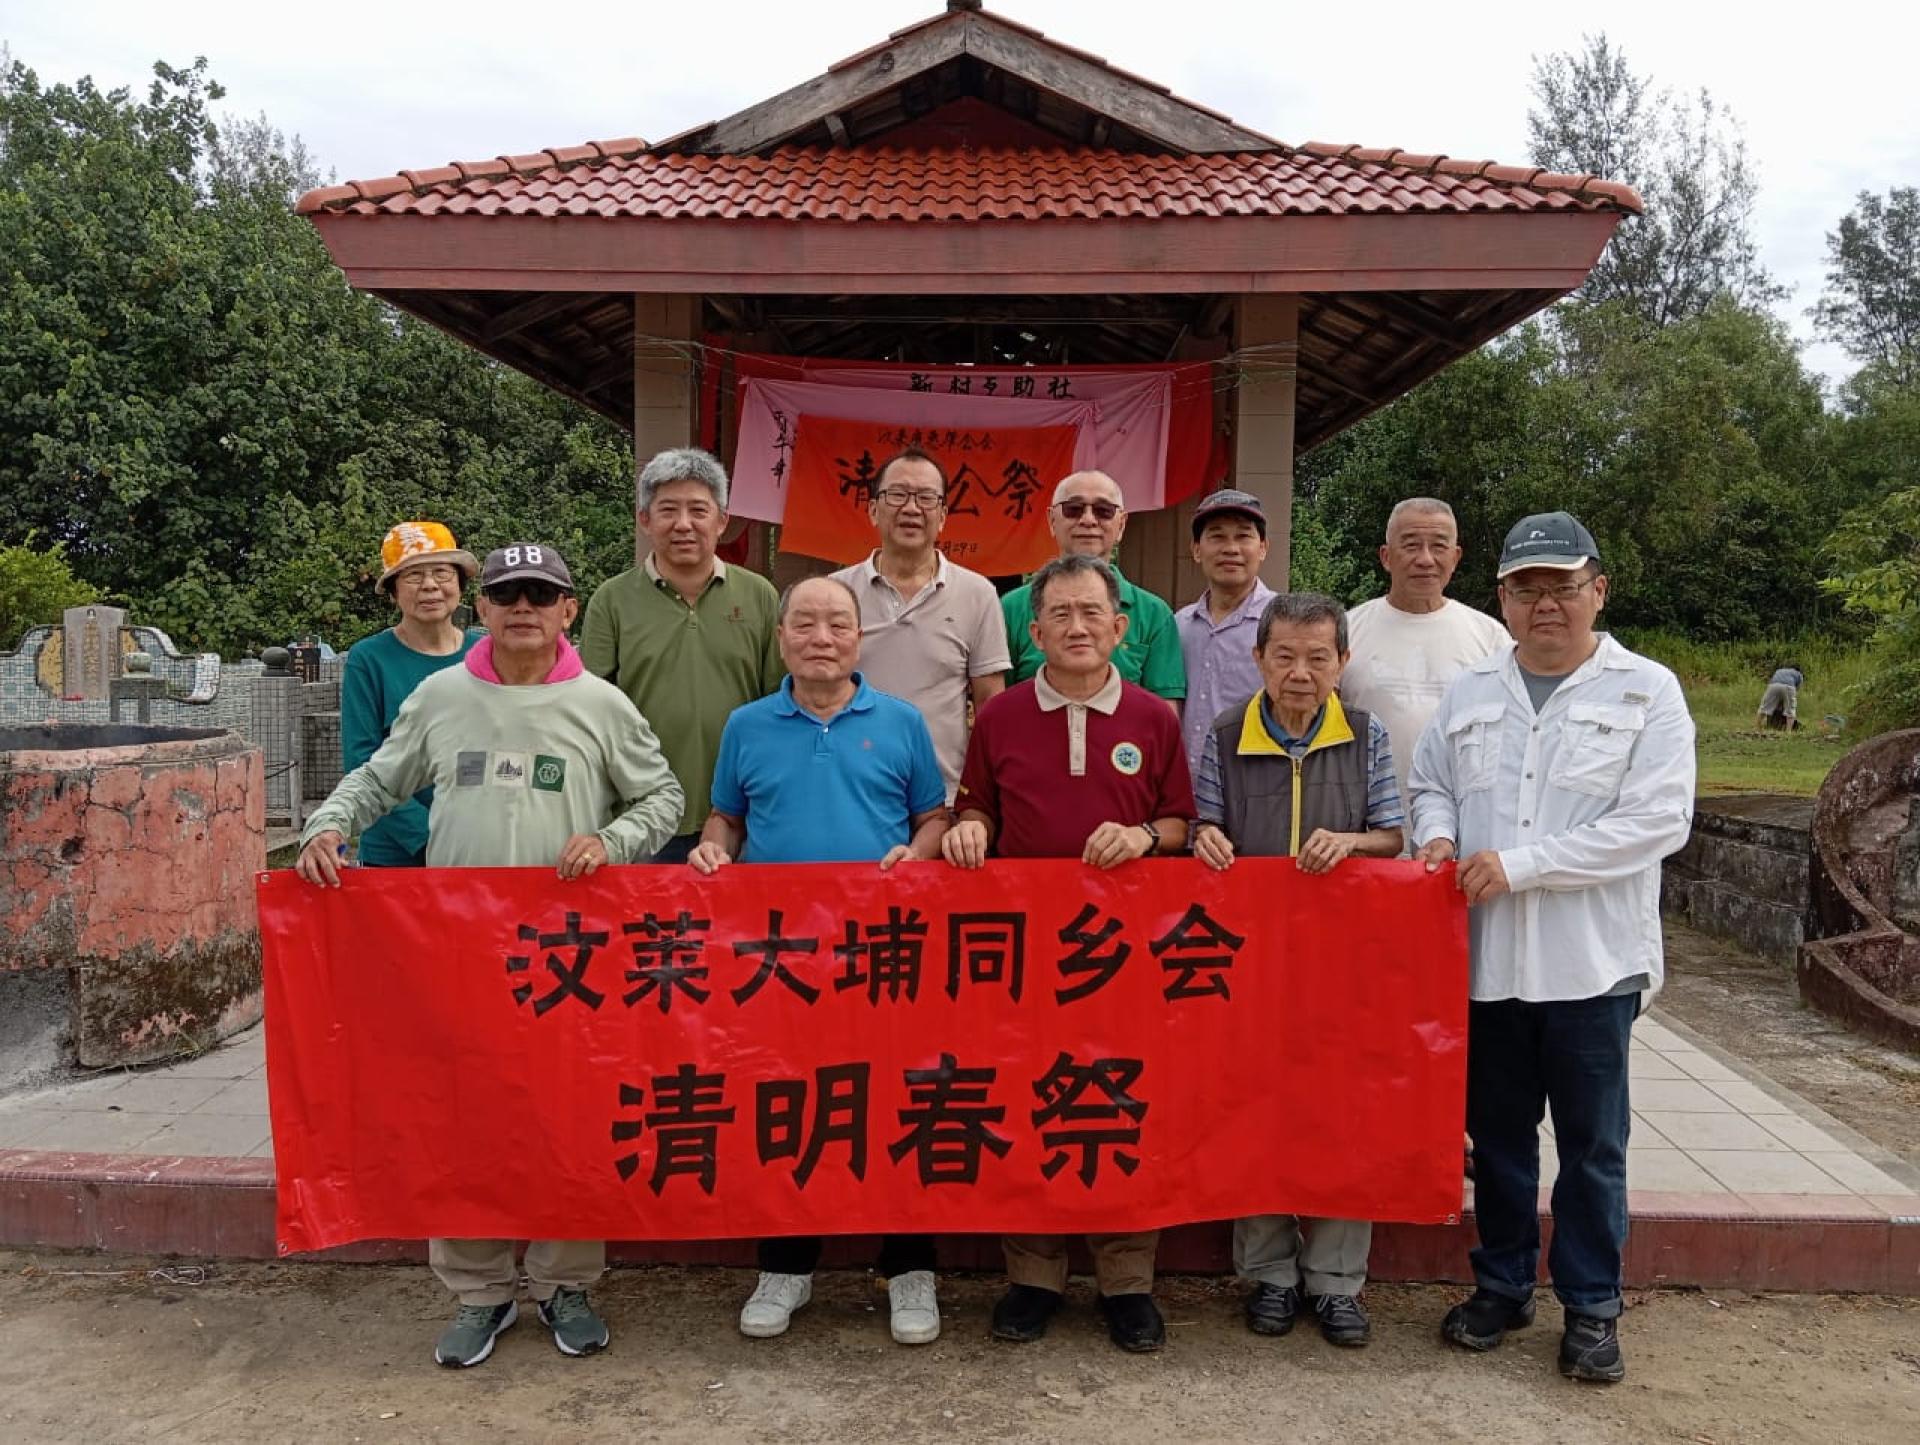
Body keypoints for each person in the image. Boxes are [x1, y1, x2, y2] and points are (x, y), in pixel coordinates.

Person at [295, 541, 685, 1370]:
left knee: (570, 1113)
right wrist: (328, 823)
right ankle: (478, 1293)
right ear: (483, 608)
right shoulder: (443, 697)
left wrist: (613, 839)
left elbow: (663, 796)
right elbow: (380, 778)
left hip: (570, 957)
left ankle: (566, 1280)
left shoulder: (601, 703)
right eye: (508, 593)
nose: (524, 608)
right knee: (463, 1112)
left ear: (569, 610)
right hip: (461, 952)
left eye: (542, 595)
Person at [1408, 511, 1695, 1385]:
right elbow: (1431, 785)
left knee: (1591, 1146)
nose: (1545, 604)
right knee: (1496, 1141)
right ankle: (1500, 1285)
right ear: (1500, 596)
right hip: (1488, 962)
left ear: (1597, 591)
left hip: (1591, 966)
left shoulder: (1646, 691)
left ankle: (1592, 1305)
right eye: (1526, 588)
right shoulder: (1469, 691)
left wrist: (1522, 865)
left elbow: (1654, 823)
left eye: (1563, 586)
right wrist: (1435, 838)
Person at [944, 554, 1195, 1353]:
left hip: (1124, 953)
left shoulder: (1155, 717)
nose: (1079, 627)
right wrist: (973, 826)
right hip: (1024, 952)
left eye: (1095, 613)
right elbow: (974, 802)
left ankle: (1127, 1281)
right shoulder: (1003, 716)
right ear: (1035, 629)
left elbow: (1182, 824)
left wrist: (1142, 835)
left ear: (1123, 629)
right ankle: (1034, 1276)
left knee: (1119, 1099)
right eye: (1062, 614)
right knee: (1029, 1098)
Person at [690, 576, 949, 1346]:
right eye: (805, 623)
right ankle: (786, 1267)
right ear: (782, 639)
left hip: (882, 955)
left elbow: (933, 816)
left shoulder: (900, 722)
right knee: (788, 1107)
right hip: (781, 959)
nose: (822, 637)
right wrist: (713, 846)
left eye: (839, 623)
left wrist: (920, 849)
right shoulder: (747, 725)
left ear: (858, 638)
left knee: (896, 1106)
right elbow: (727, 815)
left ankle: (910, 1270)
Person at [1191, 593, 1404, 1348]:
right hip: (1249, 964)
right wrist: (1207, 840)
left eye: (1319, 657)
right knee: (1258, 1109)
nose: (1302, 673)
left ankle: (1338, 1282)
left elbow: (1392, 835)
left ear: (1343, 662)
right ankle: (1271, 1275)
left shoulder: (1367, 734)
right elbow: (1203, 826)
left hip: (1343, 965)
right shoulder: (1222, 735)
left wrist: (1351, 844)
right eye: (1285, 655)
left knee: (1344, 1111)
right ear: (1259, 660)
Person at [581, 447, 783, 863]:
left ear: (722, 520)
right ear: (645, 520)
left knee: (736, 926)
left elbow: (777, 704)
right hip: (640, 813)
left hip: (739, 814)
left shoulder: (760, 595)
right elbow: (591, 711)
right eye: (668, 510)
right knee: (649, 928)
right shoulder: (612, 599)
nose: (684, 525)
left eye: (699, 510)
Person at [829, 447, 1010, 799]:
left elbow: (990, 705)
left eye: (926, 498)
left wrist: (978, 801)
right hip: (849, 792)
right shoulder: (836, 593)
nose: (911, 508)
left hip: (942, 798)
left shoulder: (977, 594)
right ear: (872, 510)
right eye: (897, 495)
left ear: (943, 515)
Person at [1340, 497, 1509, 822]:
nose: (1425, 559)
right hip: (1366, 831)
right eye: (1411, 545)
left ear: (1456, 557)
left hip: (1461, 831)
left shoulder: (1491, 638)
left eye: (1439, 546)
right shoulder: (1346, 630)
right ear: (1386, 557)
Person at [339, 522, 481, 868]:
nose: (430, 586)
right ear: (392, 591)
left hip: (480, 848)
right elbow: (362, 759)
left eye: (442, 573)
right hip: (397, 855)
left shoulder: (487, 652)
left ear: (460, 585)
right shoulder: (368, 659)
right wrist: (429, 838)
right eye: (414, 576)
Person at [1000, 471, 1185, 714]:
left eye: (1103, 510)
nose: (1088, 520)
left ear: (1121, 524)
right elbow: (998, 705)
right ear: (1051, 520)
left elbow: (1164, 717)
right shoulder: (1010, 608)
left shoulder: (1154, 613)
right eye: (1073, 509)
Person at [1174, 489, 1276, 781]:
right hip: (1183, 793)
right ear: (1196, 550)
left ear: (1263, 548)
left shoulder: (1284, 624)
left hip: (1254, 791)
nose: (1230, 548)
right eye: (1217, 536)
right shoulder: (1177, 626)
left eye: (1243, 536)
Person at [1757, 664, 1803, 730]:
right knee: (1790, 710)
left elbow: (1772, 680)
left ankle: (1757, 727)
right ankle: (1788, 731)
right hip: (1789, 686)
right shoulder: (1799, 674)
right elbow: (1796, 690)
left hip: (1773, 685)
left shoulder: (1779, 670)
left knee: (1764, 708)